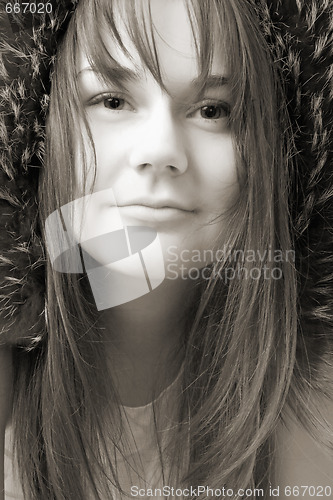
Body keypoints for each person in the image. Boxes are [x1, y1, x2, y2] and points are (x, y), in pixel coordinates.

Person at [0, 0, 332, 499]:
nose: (160, 150)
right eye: (112, 101)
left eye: (213, 111)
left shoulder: (319, 408)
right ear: (36, 136)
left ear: (283, 154)